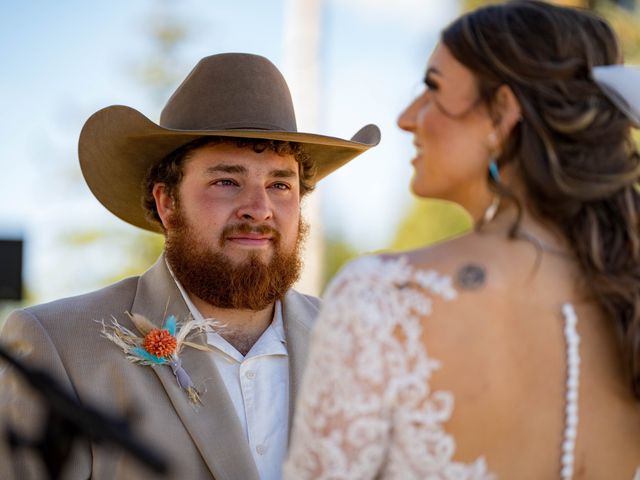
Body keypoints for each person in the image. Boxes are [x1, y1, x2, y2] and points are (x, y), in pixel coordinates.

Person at [284, 2, 640, 478]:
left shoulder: (385, 298)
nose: (406, 118)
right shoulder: (626, 292)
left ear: (503, 113)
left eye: (431, 88)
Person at [0, 52, 379, 479]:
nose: (259, 209)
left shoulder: (362, 344)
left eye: (279, 184)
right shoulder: (60, 346)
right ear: (167, 202)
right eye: (226, 182)